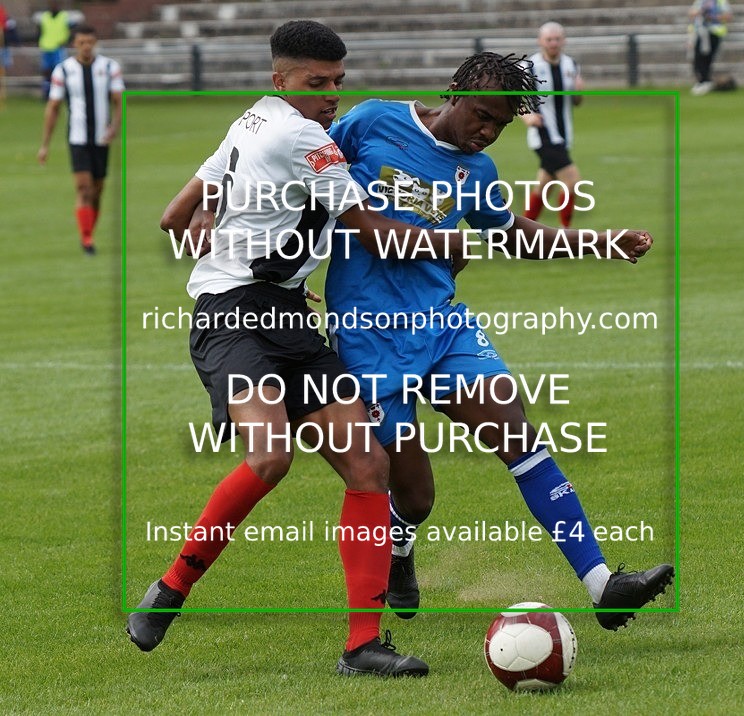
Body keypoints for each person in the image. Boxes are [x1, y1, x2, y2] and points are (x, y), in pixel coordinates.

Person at [125, 20, 470, 678]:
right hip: (234, 319)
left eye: (339, 82)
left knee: (368, 468)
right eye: (318, 83)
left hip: (284, 316)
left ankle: (362, 646)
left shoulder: (251, 120)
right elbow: (371, 231)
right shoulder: (301, 135)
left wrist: (223, 234)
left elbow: (174, 215)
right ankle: (170, 589)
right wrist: (461, 244)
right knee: (271, 455)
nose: (331, 94)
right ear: (281, 79)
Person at [324, 51, 674, 630]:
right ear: (456, 91)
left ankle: (602, 584)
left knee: (518, 434)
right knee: (414, 497)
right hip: (369, 339)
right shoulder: (371, 122)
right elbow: (308, 177)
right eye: (482, 116)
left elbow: (514, 236)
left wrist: (600, 242)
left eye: (500, 126)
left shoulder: (476, 172)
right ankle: (401, 551)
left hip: (442, 326)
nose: (487, 132)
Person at [37, 24, 124, 255]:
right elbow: (53, 107)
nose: (86, 47)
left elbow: (118, 100)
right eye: (81, 42)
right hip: (77, 138)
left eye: (90, 42)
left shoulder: (109, 67)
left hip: (101, 139)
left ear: (95, 43)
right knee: (84, 189)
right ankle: (86, 239)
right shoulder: (63, 70)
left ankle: (89, 232)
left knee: (97, 191)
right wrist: (45, 144)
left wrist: (115, 126)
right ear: (75, 44)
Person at [521, 22, 584, 228]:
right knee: (572, 181)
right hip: (543, 135)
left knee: (543, 187)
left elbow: (577, 101)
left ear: (563, 40)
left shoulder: (571, 65)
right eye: (549, 39)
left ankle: (522, 232)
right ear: (540, 41)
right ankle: (566, 232)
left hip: (564, 135)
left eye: (557, 39)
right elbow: (515, 99)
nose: (553, 43)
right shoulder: (529, 66)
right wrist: (527, 116)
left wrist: (579, 92)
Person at [689, 0, 732, 95]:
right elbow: (692, 13)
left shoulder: (721, 2)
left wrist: (713, 17)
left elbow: (728, 16)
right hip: (701, 33)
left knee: (706, 58)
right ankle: (702, 81)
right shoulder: (700, 1)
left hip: (714, 33)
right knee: (698, 58)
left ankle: (705, 81)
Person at [34, 1, 74, 101]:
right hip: (46, 47)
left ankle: (62, 93)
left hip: (58, 48)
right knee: (46, 72)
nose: (53, 5)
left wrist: (66, 40)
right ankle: (46, 94)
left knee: (60, 71)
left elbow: (70, 30)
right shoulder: (44, 16)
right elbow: (40, 31)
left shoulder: (64, 16)